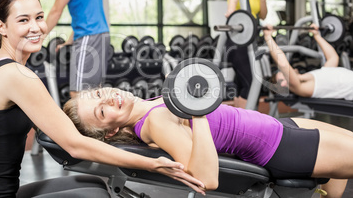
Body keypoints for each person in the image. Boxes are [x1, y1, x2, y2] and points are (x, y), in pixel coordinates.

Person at [0, 0, 206, 197]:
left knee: (92, 182)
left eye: (39, 17)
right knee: (94, 194)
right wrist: (152, 164)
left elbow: (56, 129)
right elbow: (74, 145)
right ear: (1, 27)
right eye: (23, 20)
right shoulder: (17, 75)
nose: (36, 27)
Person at [64, 86, 353, 198]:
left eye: (100, 93)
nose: (109, 99)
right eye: (103, 111)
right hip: (279, 146)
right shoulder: (155, 121)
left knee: (336, 185)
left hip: (280, 128)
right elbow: (206, 178)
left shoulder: (150, 107)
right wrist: (196, 111)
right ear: (111, 132)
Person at [224, 0, 278, 108]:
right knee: (250, 81)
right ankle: (243, 126)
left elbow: (262, 15)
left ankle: (237, 124)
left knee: (243, 84)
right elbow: (232, 3)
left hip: (251, 41)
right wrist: (230, 12)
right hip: (237, 40)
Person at [263, 24, 353, 100]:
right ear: (283, 84)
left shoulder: (316, 75)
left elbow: (333, 58)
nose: (285, 73)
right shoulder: (301, 88)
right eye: (283, 74)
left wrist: (316, 36)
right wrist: (268, 37)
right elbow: (283, 64)